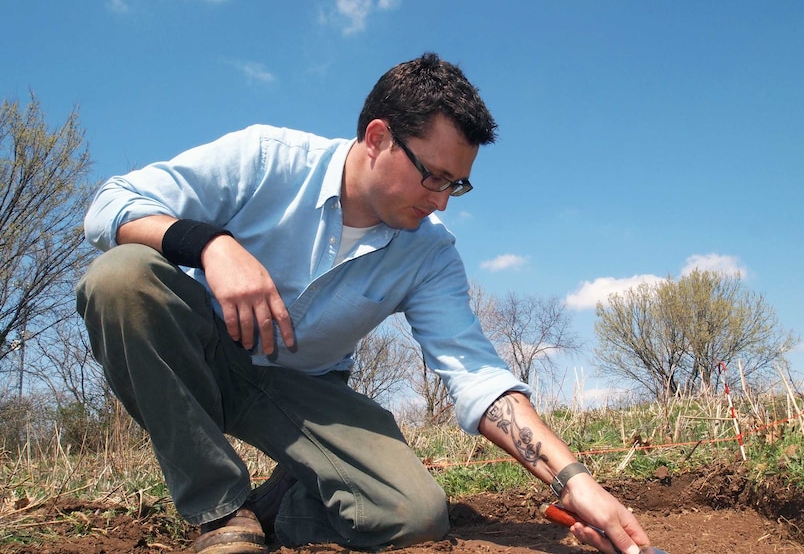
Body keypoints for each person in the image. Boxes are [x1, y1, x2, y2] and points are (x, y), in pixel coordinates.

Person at [76, 53, 652, 554]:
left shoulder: (430, 256)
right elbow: (110, 204)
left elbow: (477, 376)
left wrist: (573, 481)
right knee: (121, 277)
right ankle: (221, 509)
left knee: (414, 515)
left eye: (457, 184)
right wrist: (210, 244)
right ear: (377, 138)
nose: (442, 202)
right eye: (433, 177)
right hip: (201, 355)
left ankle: (282, 502)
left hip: (304, 394)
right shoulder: (266, 159)